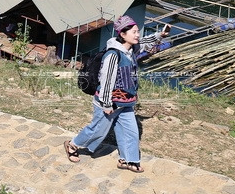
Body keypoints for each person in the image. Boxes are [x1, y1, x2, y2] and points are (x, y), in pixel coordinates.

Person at [64, 15, 170, 173]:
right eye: (134, 32)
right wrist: (106, 104)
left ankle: (128, 159)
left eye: (137, 32)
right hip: (109, 103)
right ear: (122, 34)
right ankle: (72, 144)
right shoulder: (113, 55)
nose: (137, 35)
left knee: (131, 131)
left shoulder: (132, 49)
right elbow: (106, 81)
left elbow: (145, 42)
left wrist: (159, 35)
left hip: (126, 101)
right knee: (97, 130)